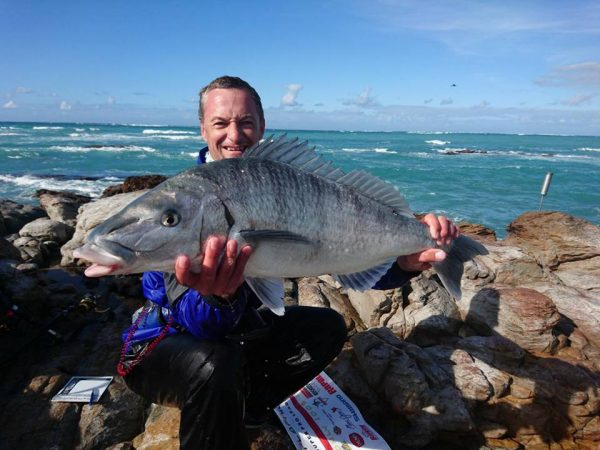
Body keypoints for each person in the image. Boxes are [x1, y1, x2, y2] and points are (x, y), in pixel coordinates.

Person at [119, 76, 459, 450]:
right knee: (215, 360)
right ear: (203, 128)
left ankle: (249, 408)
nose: (234, 134)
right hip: (166, 350)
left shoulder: (287, 180)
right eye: (220, 123)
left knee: (326, 327)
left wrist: (407, 262)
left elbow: (344, 257)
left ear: (261, 127)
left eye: (245, 122)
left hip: (240, 338)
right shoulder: (179, 205)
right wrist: (218, 296)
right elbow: (198, 323)